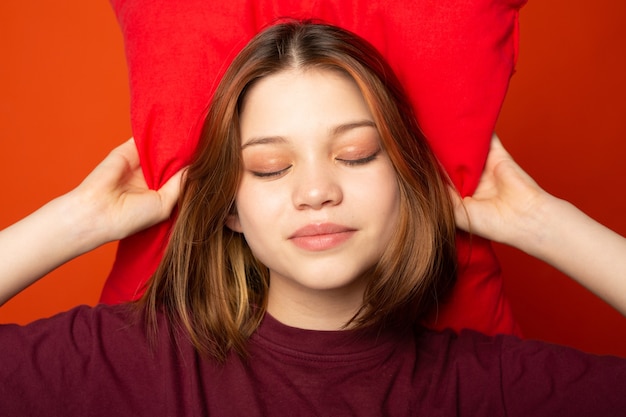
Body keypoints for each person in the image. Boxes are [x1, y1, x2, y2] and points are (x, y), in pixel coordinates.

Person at [0, 21, 625, 416]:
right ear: (229, 207)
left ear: (407, 176)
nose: (317, 190)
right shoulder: (124, 363)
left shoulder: (489, 387)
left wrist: (543, 222)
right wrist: (75, 221)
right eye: (270, 166)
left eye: (354, 154)